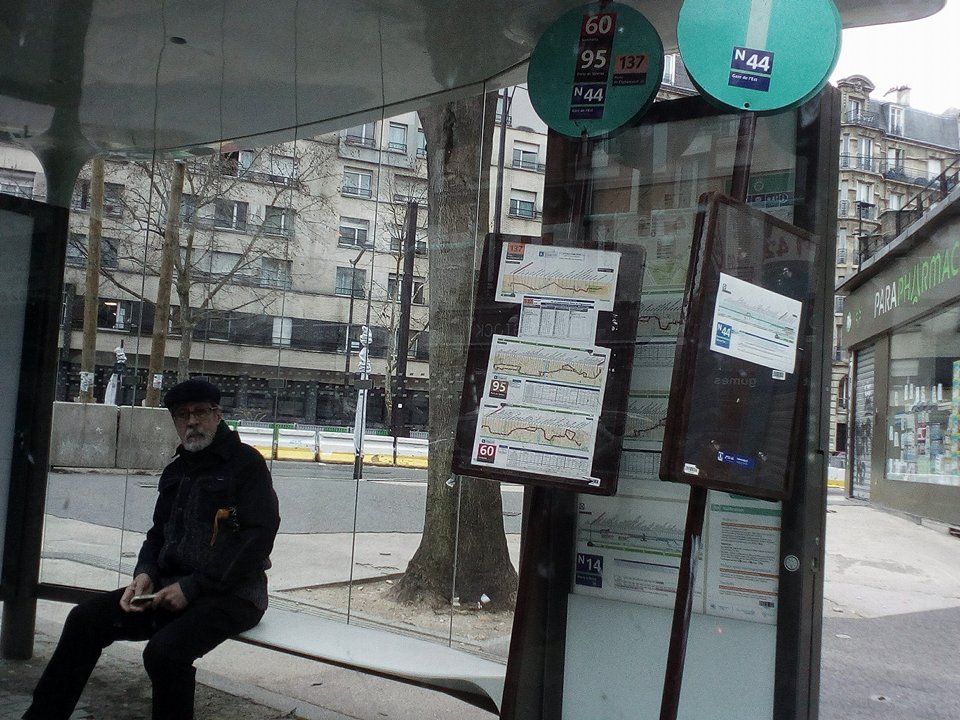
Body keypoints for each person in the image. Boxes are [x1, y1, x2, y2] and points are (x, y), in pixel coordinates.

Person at [23, 378, 281, 720]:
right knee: (85, 620)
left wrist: (193, 587)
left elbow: (258, 536)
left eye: (200, 412)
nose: (191, 422)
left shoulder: (247, 464)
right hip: (168, 587)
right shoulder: (177, 469)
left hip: (233, 595)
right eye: (181, 415)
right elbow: (158, 534)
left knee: (164, 654)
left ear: (218, 415)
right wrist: (144, 573)